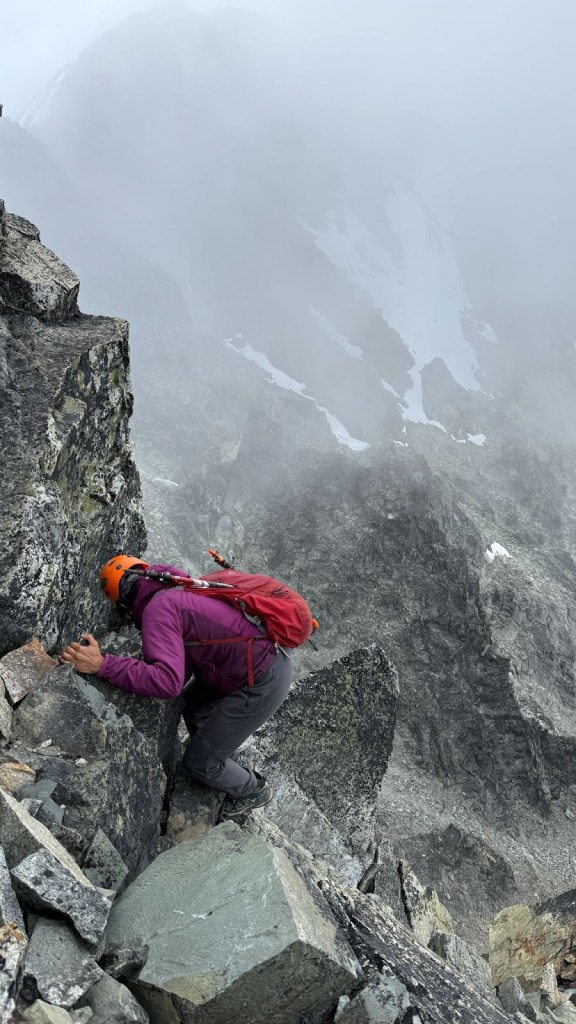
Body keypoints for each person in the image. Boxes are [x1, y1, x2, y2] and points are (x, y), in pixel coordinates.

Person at [59, 555, 293, 819]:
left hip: (261, 681)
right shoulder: (180, 590)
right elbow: (181, 670)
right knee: (193, 705)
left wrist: (103, 665)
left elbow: (167, 683)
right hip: (260, 664)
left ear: (124, 603)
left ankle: (253, 789)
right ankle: (227, 757)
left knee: (199, 763)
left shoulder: (159, 608)